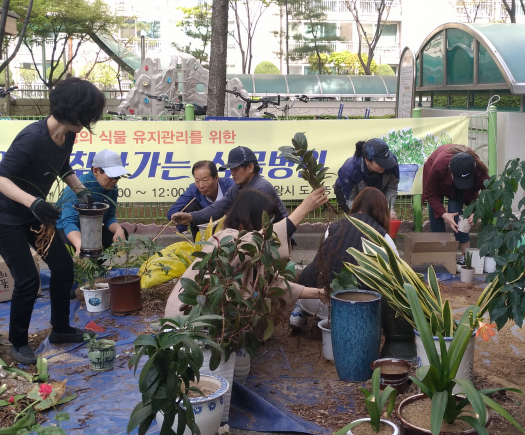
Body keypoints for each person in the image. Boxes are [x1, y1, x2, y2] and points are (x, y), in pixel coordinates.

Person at [0, 77, 106, 365]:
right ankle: (18, 342)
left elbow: (62, 166)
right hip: (5, 215)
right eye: (87, 116)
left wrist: (81, 190)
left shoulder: (68, 135)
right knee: (27, 278)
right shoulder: (33, 138)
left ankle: (61, 329)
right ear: (74, 112)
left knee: (62, 267)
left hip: (35, 213)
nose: (88, 124)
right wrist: (33, 202)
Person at [164, 186, 329, 318]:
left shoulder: (245, 249)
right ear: (254, 216)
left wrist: (321, 294)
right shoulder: (228, 238)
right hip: (187, 320)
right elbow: (257, 242)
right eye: (267, 219)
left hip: (203, 321)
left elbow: (274, 285)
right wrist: (303, 209)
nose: (269, 224)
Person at [289, 187, 396, 329]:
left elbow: (320, 262)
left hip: (313, 300)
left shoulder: (333, 227)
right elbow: (395, 280)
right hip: (357, 309)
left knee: (315, 266)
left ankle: (299, 311)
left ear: (356, 205)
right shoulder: (384, 238)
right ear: (383, 212)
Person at [170, 146, 287, 229]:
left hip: (276, 243)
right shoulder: (238, 187)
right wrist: (190, 217)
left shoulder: (261, 189)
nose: (232, 173)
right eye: (231, 169)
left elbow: (255, 226)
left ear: (250, 167)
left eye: (236, 169)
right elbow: (217, 209)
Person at [421, 144, 489, 259]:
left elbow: (493, 195)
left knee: (456, 211)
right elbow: (431, 194)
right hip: (437, 174)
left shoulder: (478, 169)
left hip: (459, 176)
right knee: (435, 211)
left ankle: (465, 255)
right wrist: (443, 214)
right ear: (450, 172)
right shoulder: (439, 166)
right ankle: (442, 253)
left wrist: (478, 212)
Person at [56, 149, 129, 255]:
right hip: (64, 230)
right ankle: (76, 268)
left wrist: (118, 230)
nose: (114, 181)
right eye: (111, 176)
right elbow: (69, 222)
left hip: (90, 230)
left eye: (117, 177)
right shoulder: (77, 187)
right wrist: (80, 245)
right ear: (95, 171)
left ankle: (92, 267)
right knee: (73, 245)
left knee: (122, 234)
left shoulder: (112, 188)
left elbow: (109, 217)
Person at [166, 160, 235, 234]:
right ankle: (198, 243)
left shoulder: (231, 186)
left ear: (216, 178)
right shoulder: (193, 189)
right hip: (203, 230)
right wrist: (186, 225)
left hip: (230, 230)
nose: (201, 186)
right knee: (191, 206)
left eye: (205, 180)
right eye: (197, 181)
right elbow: (172, 213)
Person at [334, 138, 399, 213]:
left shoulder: (392, 162)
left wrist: (389, 209)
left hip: (377, 187)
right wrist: (366, 213)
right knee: (361, 218)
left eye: (387, 161)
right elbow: (350, 200)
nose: (386, 165)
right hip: (348, 194)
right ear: (367, 161)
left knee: (381, 217)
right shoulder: (349, 170)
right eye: (381, 162)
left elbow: (391, 188)